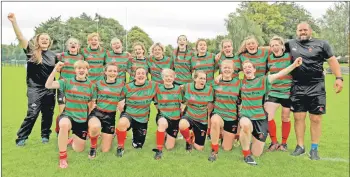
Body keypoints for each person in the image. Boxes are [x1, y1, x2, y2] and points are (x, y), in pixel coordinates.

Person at [285, 22, 343, 160]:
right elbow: (273, 49)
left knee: (315, 118)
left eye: (305, 30)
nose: (302, 32)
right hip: (297, 86)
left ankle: (314, 149)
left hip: (316, 87)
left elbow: (332, 61)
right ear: (296, 31)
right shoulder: (290, 44)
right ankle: (300, 147)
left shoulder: (322, 44)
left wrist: (339, 78)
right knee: (298, 117)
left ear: (310, 31)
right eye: (300, 30)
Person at [239, 58, 302, 165]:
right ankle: (246, 155)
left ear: (254, 69)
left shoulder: (263, 80)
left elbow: (280, 74)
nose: (247, 69)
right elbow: (227, 77)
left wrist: (294, 65)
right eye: (244, 68)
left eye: (249, 67)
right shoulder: (240, 83)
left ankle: (249, 139)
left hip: (260, 119)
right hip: (246, 116)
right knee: (245, 125)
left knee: (257, 153)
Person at [9, 13, 57, 146]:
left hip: (50, 89)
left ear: (50, 41)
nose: (45, 40)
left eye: (47, 39)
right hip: (34, 88)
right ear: (38, 40)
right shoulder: (31, 51)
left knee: (48, 113)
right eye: (42, 38)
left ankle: (45, 135)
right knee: (32, 113)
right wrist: (14, 22)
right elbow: (20, 37)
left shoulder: (54, 56)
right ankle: (21, 138)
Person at [45, 60, 96, 169]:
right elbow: (48, 85)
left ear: (87, 71)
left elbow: (91, 105)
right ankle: (62, 158)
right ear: (75, 70)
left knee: (79, 149)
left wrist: (88, 121)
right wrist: (55, 69)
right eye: (79, 68)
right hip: (68, 114)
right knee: (63, 124)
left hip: (82, 119)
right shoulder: (67, 82)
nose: (81, 70)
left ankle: (72, 139)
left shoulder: (91, 86)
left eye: (84, 68)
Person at [115, 67, 157, 157]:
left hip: (142, 118)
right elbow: (120, 100)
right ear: (134, 76)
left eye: (143, 73)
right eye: (138, 73)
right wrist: (122, 113)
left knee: (138, 146)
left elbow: (166, 86)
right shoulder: (127, 87)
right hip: (129, 114)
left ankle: (135, 137)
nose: (141, 75)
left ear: (146, 76)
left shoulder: (152, 85)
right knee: (122, 123)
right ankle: (120, 147)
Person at [87, 63, 124, 159]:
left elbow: (122, 102)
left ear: (117, 73)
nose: (112, 73)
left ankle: (106, 134)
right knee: (95, 127)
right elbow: (92, 101)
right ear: (105, 72)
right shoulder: (98, 84)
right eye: (110, 71)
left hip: (110, 116)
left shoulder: (121, 85)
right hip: (97, 113)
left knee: (105, 150)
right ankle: (93, 147)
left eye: (115, 71)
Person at [208, 60, 241, 162]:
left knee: (227, 148)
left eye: (229, 68)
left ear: (233, 70)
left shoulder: (238, 83)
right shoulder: (214, 83)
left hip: (231, 117)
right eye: (225, 68)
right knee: (215, 121)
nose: (227, 69)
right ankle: (214, 151)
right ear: (221, 69)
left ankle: (222, 134)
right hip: (219, 113)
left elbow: (241, 103)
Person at [264, 36, 293, 152]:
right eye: (272, 46)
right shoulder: (269, 59)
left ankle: (284, 143)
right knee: (268, 115)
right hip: (274, 91)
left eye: (276, 45)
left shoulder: (289, 57)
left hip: (288, 91)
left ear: (282, 46)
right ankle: (274, 142)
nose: (274, 47)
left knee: (285, 117)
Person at [54, 38, 84, 135]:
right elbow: (56, 68)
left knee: (75, 110)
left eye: (75, 43)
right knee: (63, 111)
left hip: (76, 87)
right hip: (63, 87)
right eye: (70, 43)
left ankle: (76, 132)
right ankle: (62, 133)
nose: (73, 44)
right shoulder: (62, 56)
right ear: (67, 46)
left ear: (78, 46)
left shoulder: (81, 57)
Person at [179, 70, 214, 151]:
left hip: (202, 120)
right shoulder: (186, 87)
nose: (203, 80)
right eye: (200, 78)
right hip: (189, 116)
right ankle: (188, 140)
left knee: (199, 148)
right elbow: (180, 97)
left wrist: (209, 128)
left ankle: (193, 135)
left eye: (204, 79)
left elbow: (209, 110)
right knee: (182, 124)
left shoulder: (210, 90)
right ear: (195, 79)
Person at [152, 69, 183, 159]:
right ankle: (159, 150)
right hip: (163, 116)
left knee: (169, 147)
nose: (168, 78)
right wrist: (162, 111)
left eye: (170, 76)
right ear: (162, 78)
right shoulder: (158, 89)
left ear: (174, 78)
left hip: (175, 118)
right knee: (162, 123)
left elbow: (182, 104)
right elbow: (156, 103)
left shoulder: (178, 89)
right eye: (166, 76)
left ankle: (165, 134)